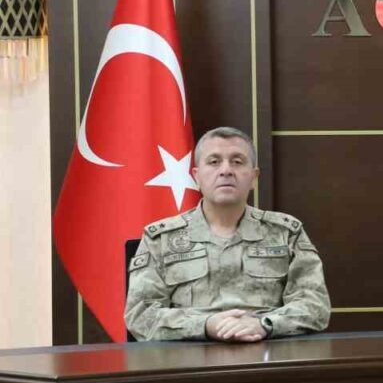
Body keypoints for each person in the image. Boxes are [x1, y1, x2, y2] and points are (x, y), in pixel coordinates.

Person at [125, 126, 331, 341]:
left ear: (254, 177)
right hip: (189, 356)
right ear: (196, 176)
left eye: (237, 162)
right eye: (214, 162)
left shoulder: (286, 233)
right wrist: (206, 325)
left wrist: (265, 325)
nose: (226, 170)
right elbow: (140, 315)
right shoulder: (160, 238)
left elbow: (315, 305)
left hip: (268, 352)